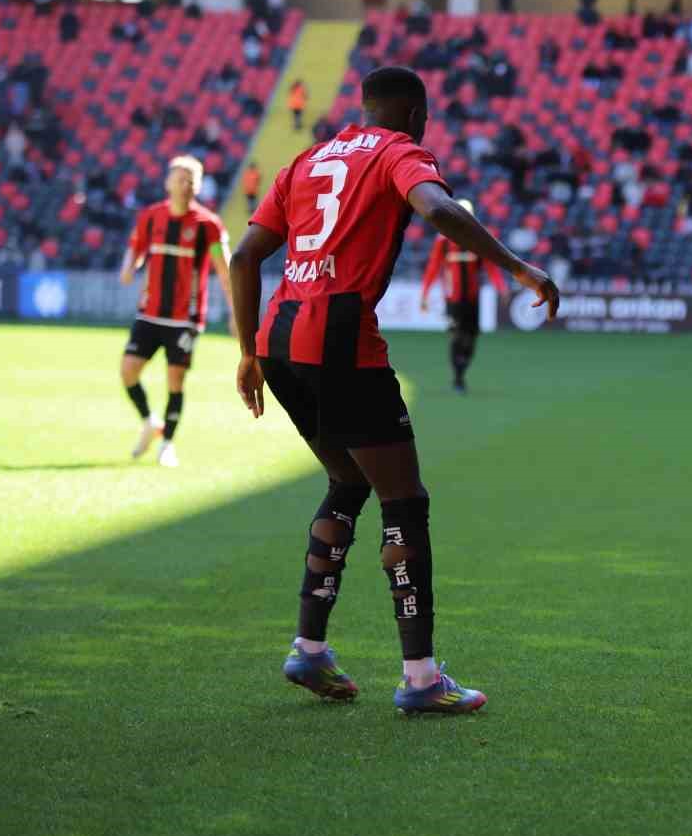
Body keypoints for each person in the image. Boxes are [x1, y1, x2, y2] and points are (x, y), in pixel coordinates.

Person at [229, 65, 560, 714]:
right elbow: (438, 208)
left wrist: (246, 353)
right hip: (341, 340)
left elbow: (243, 257)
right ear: (415, 116)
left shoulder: (307, 159)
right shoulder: (400, 152)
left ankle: (311, 647)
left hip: (278, 342)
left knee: (348, 483)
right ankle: (420, 678)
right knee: (404, 501)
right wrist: (519, 267)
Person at [119, 156, 234, 468]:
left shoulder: (208, 226)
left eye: (191, 180)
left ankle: (167, 443)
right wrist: (130, 266)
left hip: (185, 318)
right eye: (180, 178)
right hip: (150, 312)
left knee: (175, 379)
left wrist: (235, 311)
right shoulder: (151, 217)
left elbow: (224, 269)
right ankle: (149, 422)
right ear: (167, 182)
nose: (185, 185)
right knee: (128, 371)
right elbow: (137, 246)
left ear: (198, 187)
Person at [419, 199, 507, 394]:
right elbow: (433, 268)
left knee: (471, 338)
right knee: (457, 336)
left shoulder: (479, 239)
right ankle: (458, 378)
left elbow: (491, 266)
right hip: (452, 299)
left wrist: (501, 287)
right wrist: (424, 294)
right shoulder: (443, 241)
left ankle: (461, 371)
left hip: (473, 299)